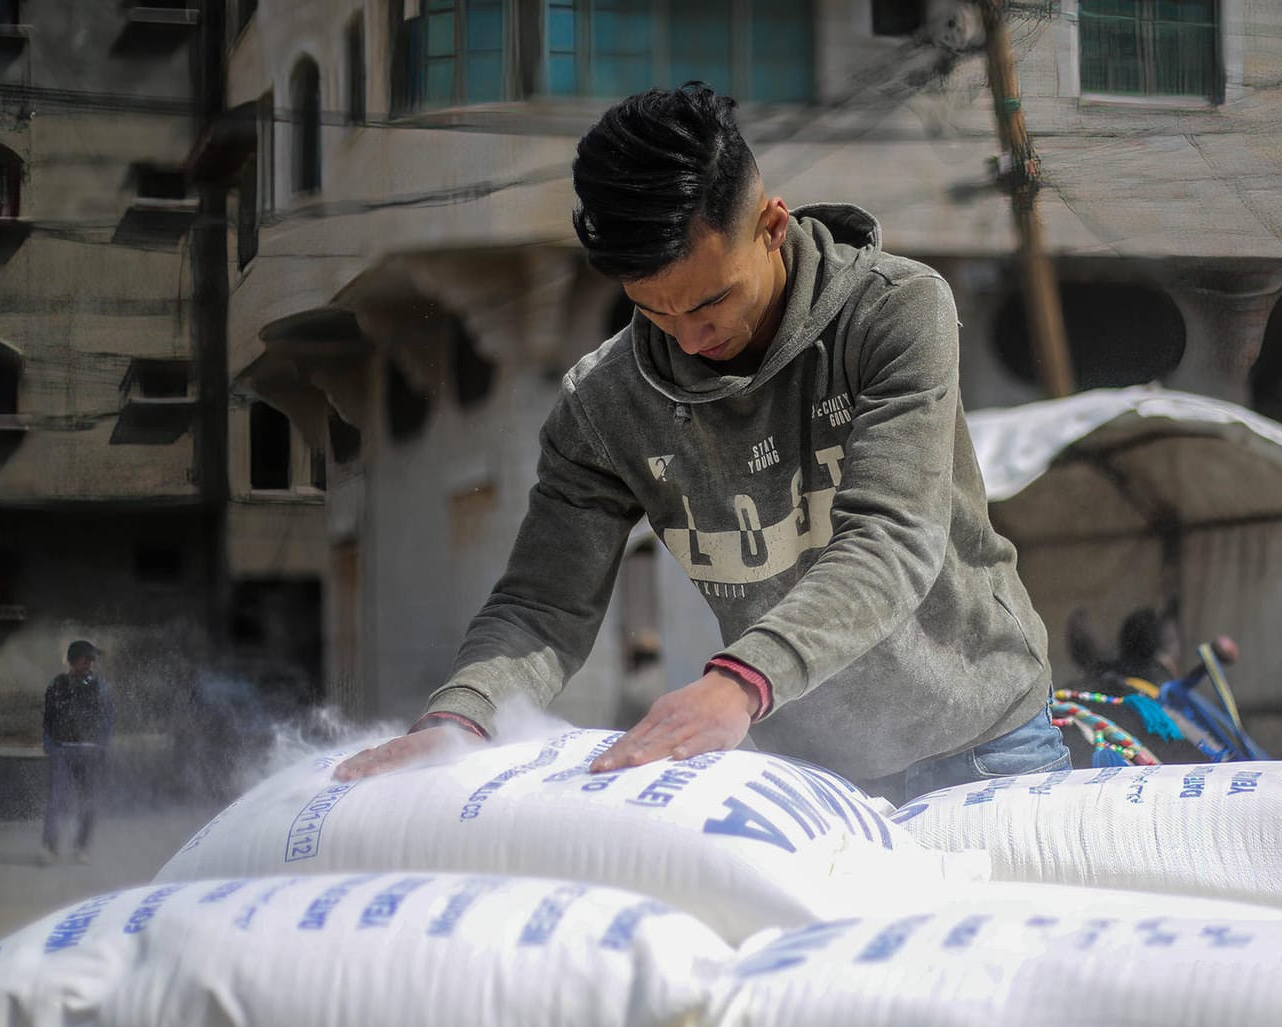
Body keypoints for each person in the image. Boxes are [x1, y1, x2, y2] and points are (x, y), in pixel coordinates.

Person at [335, 84, 1064, 803]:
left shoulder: (894, 312)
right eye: (654, 309)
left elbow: (891, 538)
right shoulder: (604, 404)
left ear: (772, 226)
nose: (690, 336)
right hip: (813, 780)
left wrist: (741, 682)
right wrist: (463, 715)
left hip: (987, 743)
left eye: (713, 300)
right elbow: (541, 605)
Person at [41, 639, 115, 864]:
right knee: (57, 800)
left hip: (90, 752)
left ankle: (81, 847)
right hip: (63, 750)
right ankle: (50, 847)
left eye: (92, 660)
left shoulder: (100, 686)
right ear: (74, 661)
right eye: (86, 659)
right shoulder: (57, 685)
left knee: (89, 801)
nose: (90, 664)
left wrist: (101, 745)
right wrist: (51, 746)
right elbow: (48, 719)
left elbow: (107, 719)